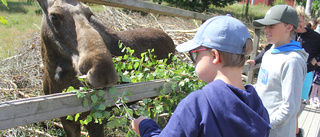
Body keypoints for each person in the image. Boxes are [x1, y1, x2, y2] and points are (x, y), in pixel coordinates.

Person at [131, 15, 271, 137]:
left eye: (196, 53)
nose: (195, 59)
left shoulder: (197, 104)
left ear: (214, 56)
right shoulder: (259, 108)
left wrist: (146, 127)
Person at [252, 5, 308, 137]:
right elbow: (263, 86)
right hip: (262, 126)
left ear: (288, 27)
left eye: (271, 26)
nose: (266, 30)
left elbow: (290, 107)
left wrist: (265, 123)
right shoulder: (270, 52)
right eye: (265, 26)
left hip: (276, 131)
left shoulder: (292, 61)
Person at [292, 6, 320, 136]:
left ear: (305, 21)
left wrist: (315, 60)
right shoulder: (289, 33)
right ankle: (295, 131)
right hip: (290, 72)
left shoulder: (315, 36)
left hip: (306, 72)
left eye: (300, 21)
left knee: (296, 104)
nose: (297, 24)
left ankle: (295, 131)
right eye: (294, 20)